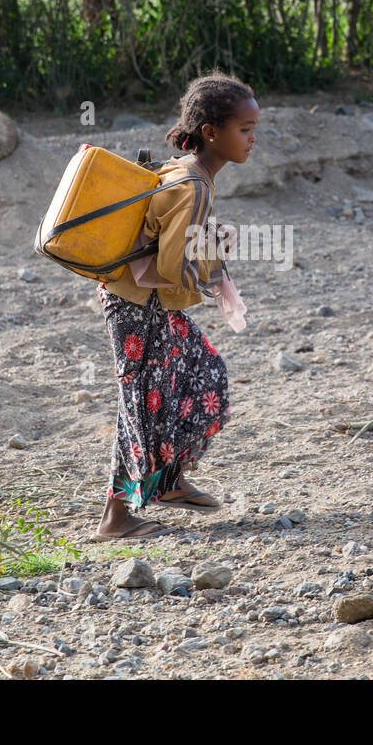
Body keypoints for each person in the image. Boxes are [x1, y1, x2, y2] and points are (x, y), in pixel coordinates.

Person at [93, 71, 258, 540]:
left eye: (253, 130)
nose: (251, 140)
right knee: (140, 406)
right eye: (244, 130)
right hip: (137, 306)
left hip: (144, 303)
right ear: (211, 132)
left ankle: (166, 481)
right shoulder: (195, 184)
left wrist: (206, 246)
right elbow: (172, 265)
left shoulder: (186, 171)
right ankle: (117, 518)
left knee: (203, 377)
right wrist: (212, 260)